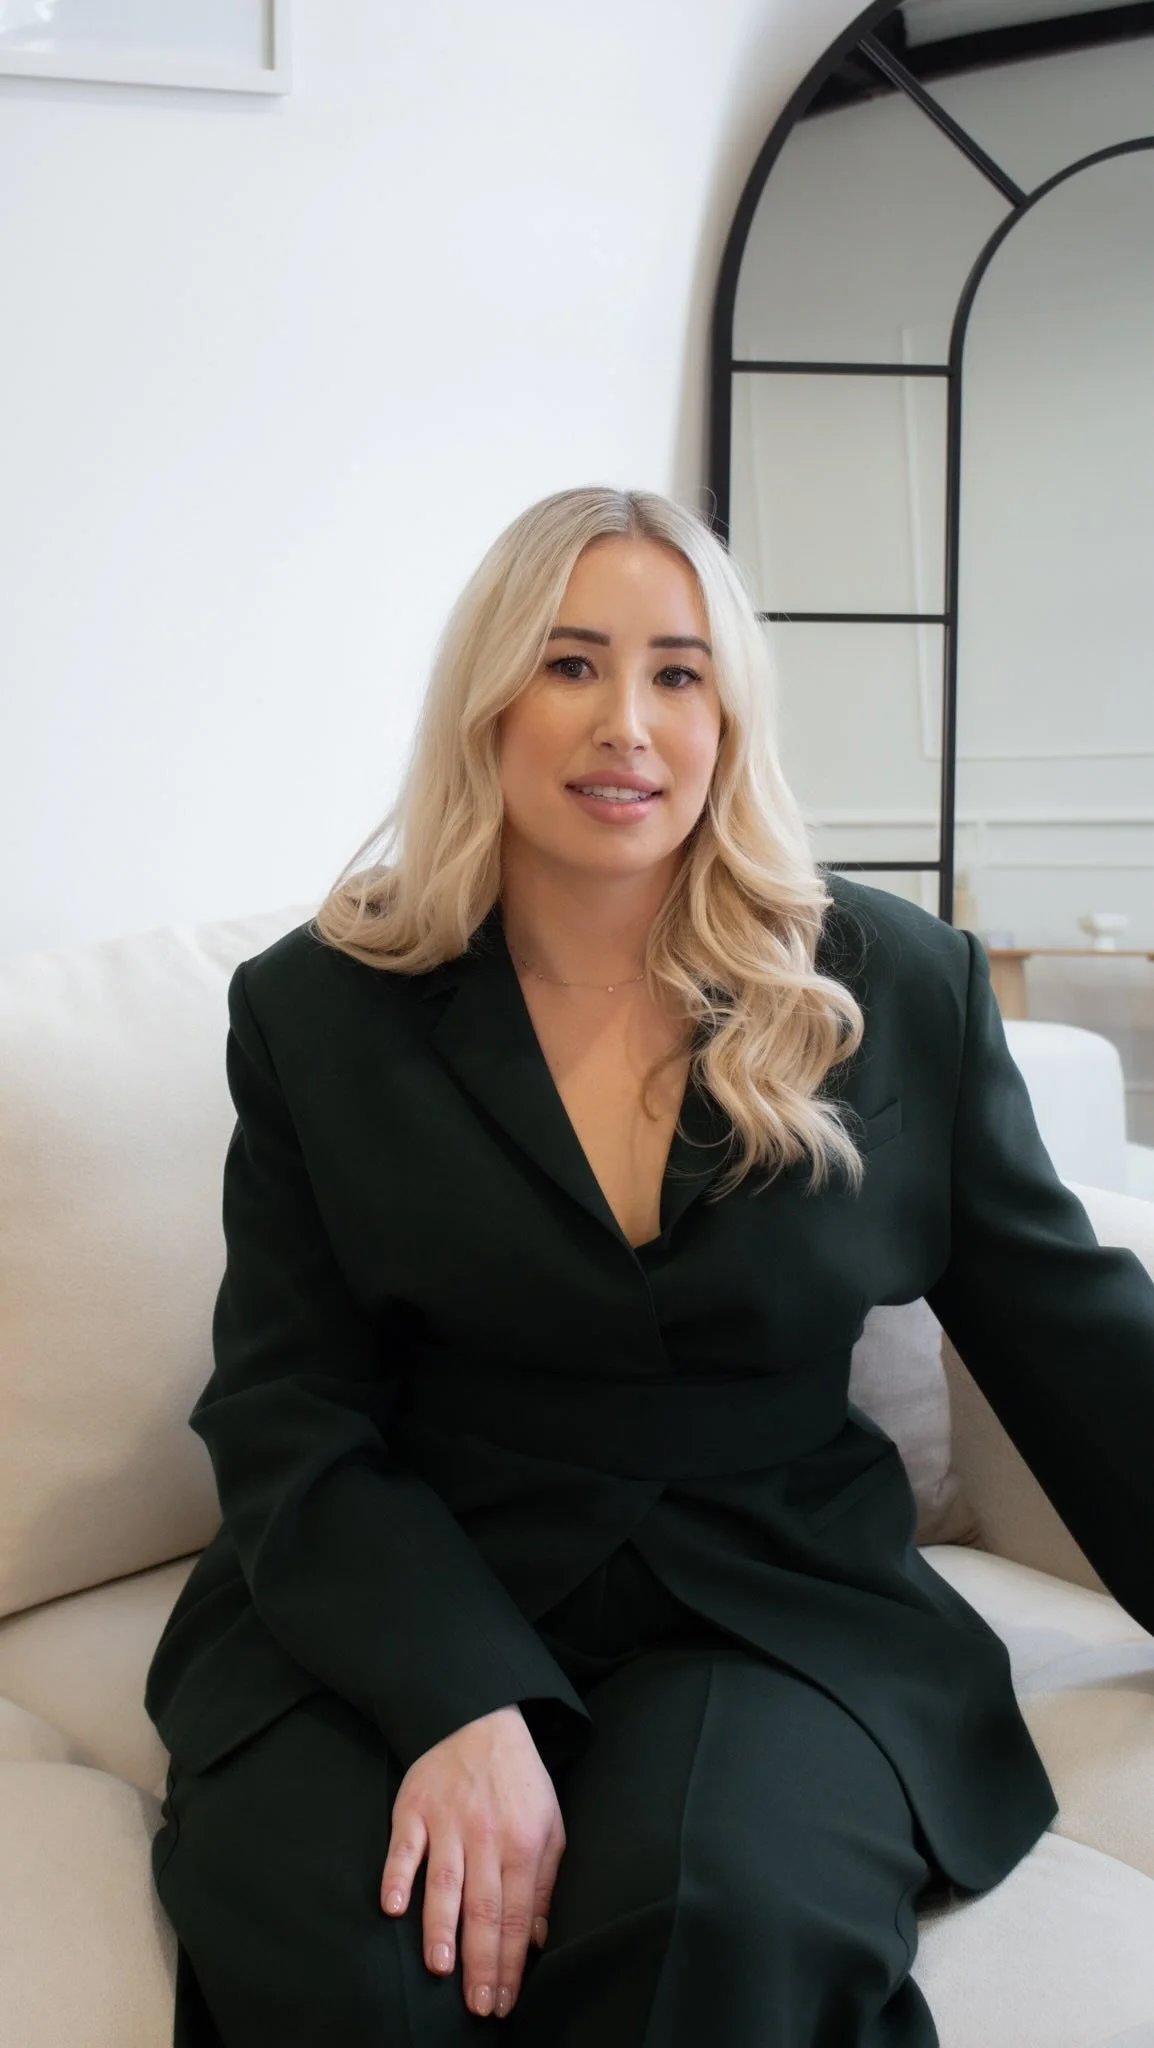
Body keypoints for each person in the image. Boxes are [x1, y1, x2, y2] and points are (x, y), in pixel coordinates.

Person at [144, 484, 1154, 2047]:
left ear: (726, 715)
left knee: (716, 1928)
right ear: (487, 698)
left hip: (767, 1596)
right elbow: (287, 1404)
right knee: (360, 1979)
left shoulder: (895, 984)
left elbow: (1066, 1332)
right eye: (569, 663)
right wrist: (451, 1698)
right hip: (418, 1569)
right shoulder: (318, 1007)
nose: (626, 721)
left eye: (677, 673)